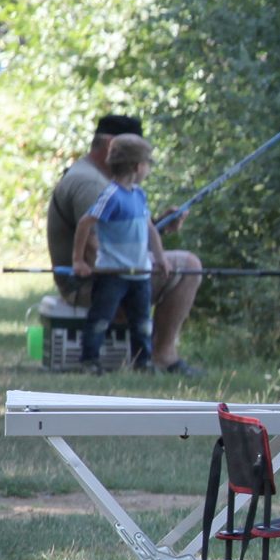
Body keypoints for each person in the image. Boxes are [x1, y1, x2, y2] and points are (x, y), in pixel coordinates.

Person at [45, 114, 204, 373]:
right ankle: (161, 356)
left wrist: (158, 227)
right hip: (93, 283)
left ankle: (145, 358)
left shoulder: (114, 186)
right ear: (111, 144)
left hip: (113, 272)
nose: (145, 167)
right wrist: (137, 270)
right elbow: (93, 246)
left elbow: (119, 235)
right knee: (189, 265)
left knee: (177, 269)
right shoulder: (91, 183)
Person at [70, 134, 157, 372]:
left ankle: (143, 362)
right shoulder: (111, 195)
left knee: (142, 323)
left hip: (141, 274)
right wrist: (78, 260)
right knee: (100, 320)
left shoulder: (139, 195)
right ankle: (89, 361)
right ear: (137, 167)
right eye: (147, 164)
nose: (148, 169)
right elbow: (85, 223)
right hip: (112, 273)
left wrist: (160, 258)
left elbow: (150, 229)